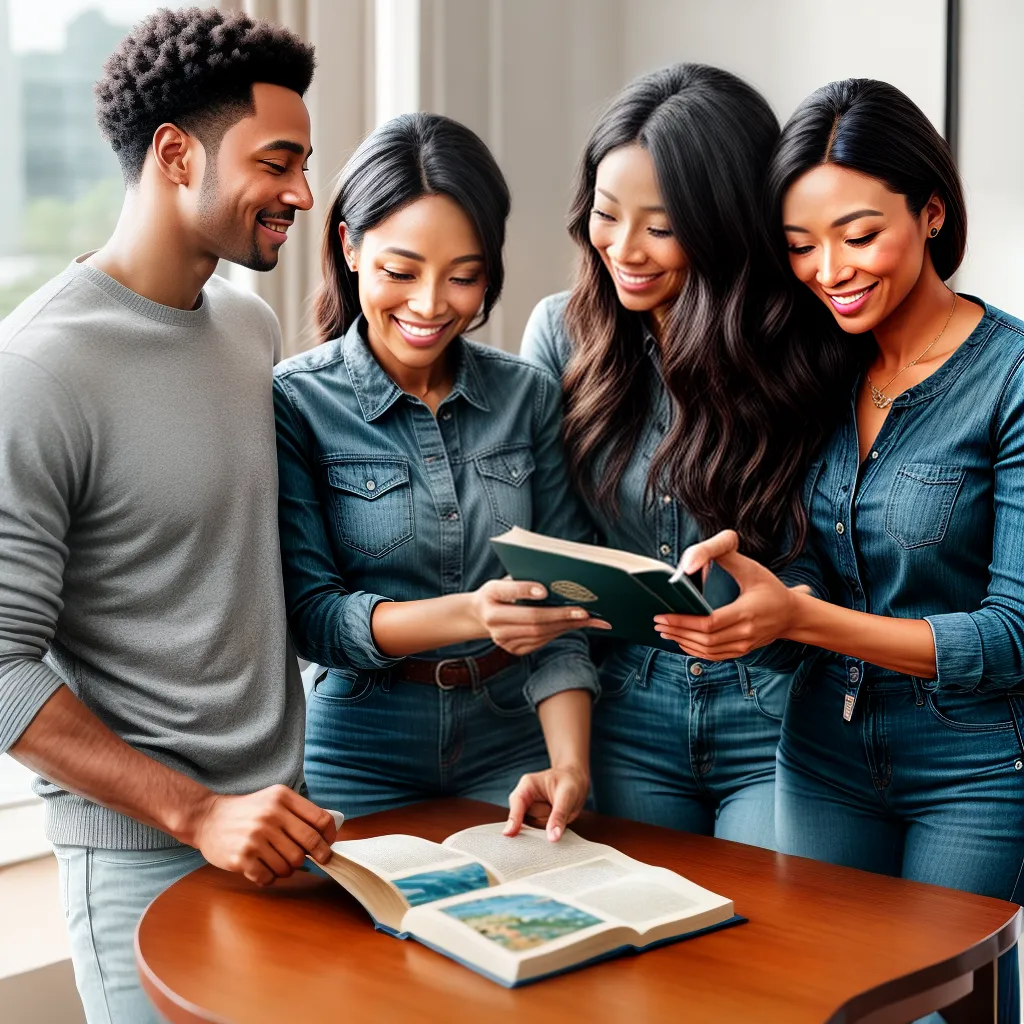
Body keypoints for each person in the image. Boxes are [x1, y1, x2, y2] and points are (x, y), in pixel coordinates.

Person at [657, 78, 1024, 1023]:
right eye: (801, 247)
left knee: (946, 1010)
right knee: (815, 1004)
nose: (830, 270)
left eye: (859, 236)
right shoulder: (818, 363)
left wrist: (805, 618)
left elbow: (1011, 636)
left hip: (973, 768)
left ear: (932, 210)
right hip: (820, 752)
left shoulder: (1010, 378)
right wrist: (753, 611)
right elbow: (812, 568)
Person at [0, 10, 337, 1022]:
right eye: (277, 162)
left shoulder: (247, 323)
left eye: (306, 164)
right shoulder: (39, 369)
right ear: (176, 153)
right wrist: (196, 812)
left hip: (287, 835)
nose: (303, 194)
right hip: (143, 863)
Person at [520, 64, 838, 846]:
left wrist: (785, 598)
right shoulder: (562, 334)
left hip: (774, 707)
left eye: (660, 228)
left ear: (725, 223)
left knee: (771, 949)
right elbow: (543, 542)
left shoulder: (809, 342)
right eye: (605, 214)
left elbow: (849, 539)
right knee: (647, 957)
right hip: (624, 703)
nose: (624, 250)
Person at [274, 113, 603, 841]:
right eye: (401, 271)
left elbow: (564, 608)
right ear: (350, 247)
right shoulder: (295, 401)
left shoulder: (528, 396)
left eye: (464, 277)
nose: (430, 306)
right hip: (358, 746)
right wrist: (472, 613)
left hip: (512, 742)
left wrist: (570, 767)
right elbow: (314, 617)